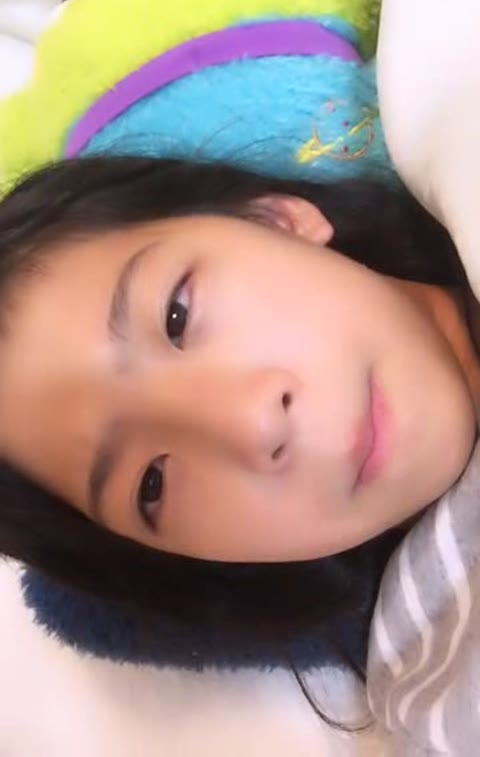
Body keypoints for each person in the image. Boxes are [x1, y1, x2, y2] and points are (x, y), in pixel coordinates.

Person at [0, 154, 478, 724]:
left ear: (274, 219)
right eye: (151, 484)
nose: (254, 425)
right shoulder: (441, 692)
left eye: (177, 317)